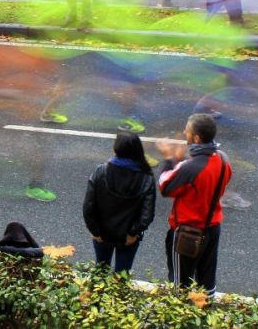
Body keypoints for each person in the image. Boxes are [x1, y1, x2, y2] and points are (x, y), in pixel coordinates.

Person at [157, 114, 232, 297]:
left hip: (187, 232)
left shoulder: (191, 167)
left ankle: (179, 317)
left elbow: (165, 187)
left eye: (187, 130)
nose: (184, 132)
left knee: (180, 283)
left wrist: (169, 160)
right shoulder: (223, 160)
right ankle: (204, 314)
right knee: (206, 280)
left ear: (196, 138)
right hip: (212, 228)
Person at [82, 132, 156, 273]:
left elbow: (88, 206)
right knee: (122, 275)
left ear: (117, 149)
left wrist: (95, 231)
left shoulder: (101, 171)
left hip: (102, 234)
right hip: (128, 238)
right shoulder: (146, 177)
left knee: (100, 271)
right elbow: (147, 215)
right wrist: (132, 233)